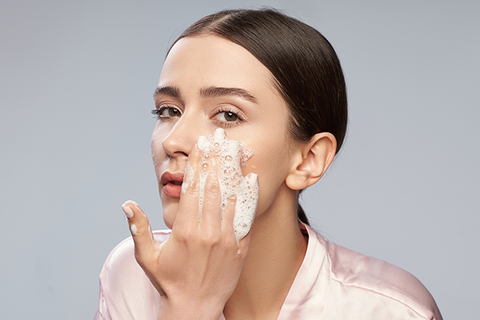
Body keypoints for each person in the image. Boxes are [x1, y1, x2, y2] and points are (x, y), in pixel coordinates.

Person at [94, 8, 443, 320]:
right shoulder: (132, 274)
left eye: (228, 115)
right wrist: (187, 305)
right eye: (169, 110)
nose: (173, 142)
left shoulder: (390, 310)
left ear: (308, 159)